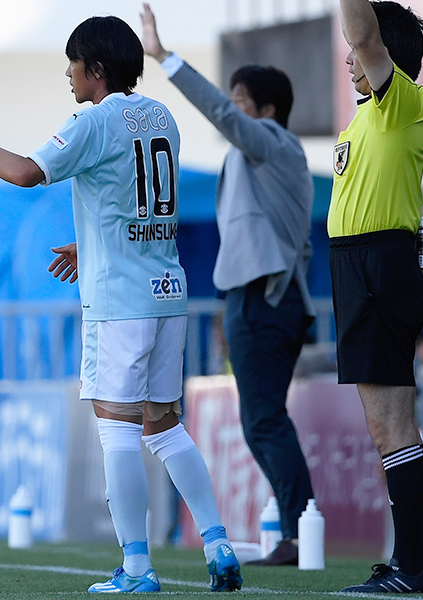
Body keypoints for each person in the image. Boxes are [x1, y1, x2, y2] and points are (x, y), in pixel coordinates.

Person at [0, 14, 241, 593]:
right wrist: (93, 242)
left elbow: (28, 173)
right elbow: (140, 199)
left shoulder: (92, 120)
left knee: (118, 428)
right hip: (165, 291)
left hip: (119, 303)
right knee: (164, 425)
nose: (69, 75)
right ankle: (218, 541)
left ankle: (135, 566)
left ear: (96, 70)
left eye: (74, 65)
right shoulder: (161, 117)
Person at [141, 3, 316, 566]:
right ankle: (296, 528)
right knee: (259, 418)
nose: (231, 113)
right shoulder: (252, 161)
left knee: (264, 419)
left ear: (266, 111)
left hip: (267, 299)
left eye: (241, 102)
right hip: (251, 299)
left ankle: (297, 533)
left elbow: (222, 115)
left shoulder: (272, 143)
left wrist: (165, 59)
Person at [329, 0, 423, 593]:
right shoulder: (370, 116)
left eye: (359, 50)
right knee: (388, 428)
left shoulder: (400, 101)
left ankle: (413, 569)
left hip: (378, 265)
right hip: (361, 266)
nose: (349, 56)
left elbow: (363, 32)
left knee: (393, 426)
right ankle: (409, 561)